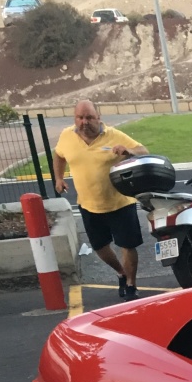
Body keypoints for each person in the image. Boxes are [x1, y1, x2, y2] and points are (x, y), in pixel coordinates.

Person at [52, 100, 150, 300]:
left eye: (89, 117)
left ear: (99, 118)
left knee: (127, 246)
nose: (84, 122)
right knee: (99, 247)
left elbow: (143, 151)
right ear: (75, 119)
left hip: (120, 203)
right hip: (89, 205)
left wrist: (128, 152)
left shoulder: (113, 135)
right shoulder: (67, 136)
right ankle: (121, 273)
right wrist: (59, 178)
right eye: (80, 117)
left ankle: (131, 284)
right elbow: (59, 155)